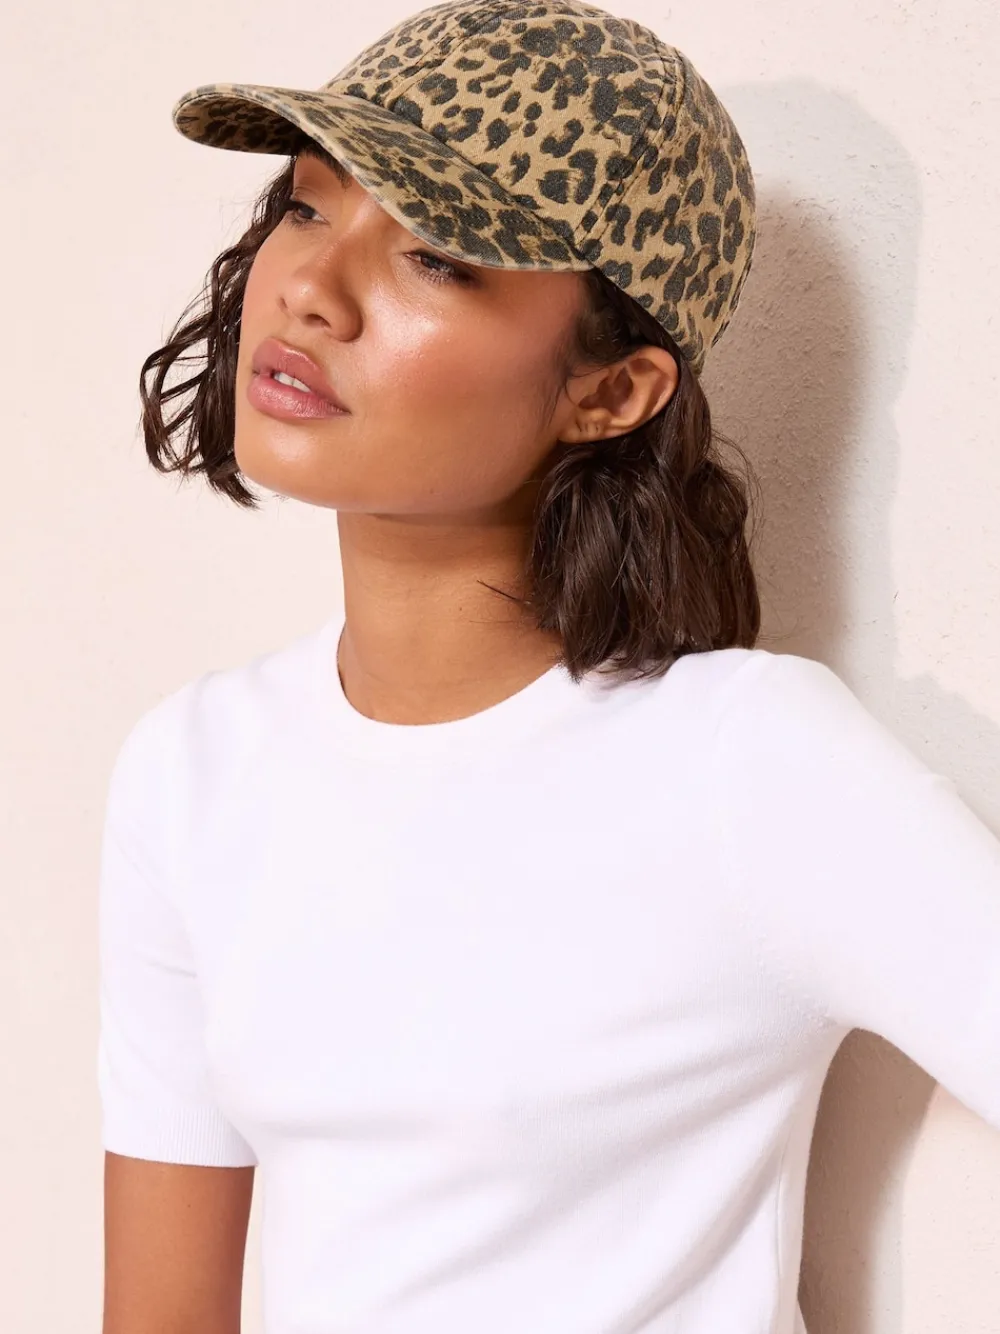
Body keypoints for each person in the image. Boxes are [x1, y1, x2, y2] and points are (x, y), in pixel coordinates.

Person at [96, 2, 1000, 1332]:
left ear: (612, 392)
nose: (309, 288)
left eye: (437, 257)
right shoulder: (193, 768)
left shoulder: (749, 762)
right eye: (306, 205)